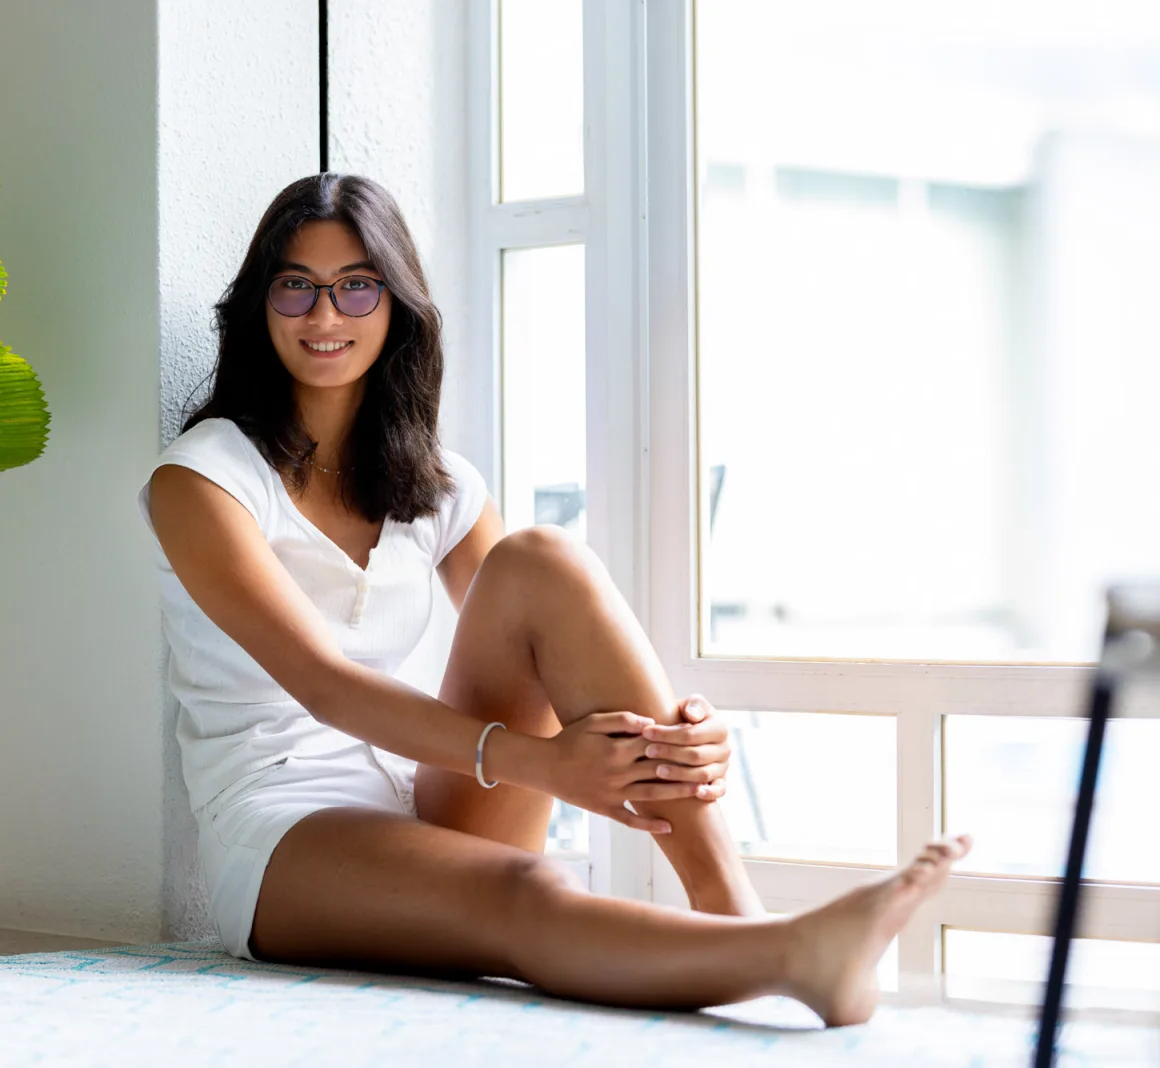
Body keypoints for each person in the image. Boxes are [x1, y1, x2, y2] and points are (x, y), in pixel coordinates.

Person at [138, 173, 969, 1027]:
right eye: (297, 288)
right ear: (260, 306)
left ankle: (734, 909)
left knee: (543, 557)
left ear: (397, 305)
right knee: (527, 886)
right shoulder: (203, 480)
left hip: (425, 794)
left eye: (357, 286)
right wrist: (545, 766)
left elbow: (547, 627)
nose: (325, 316)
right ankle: (793, 957)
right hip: (283, 830)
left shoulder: (439, 484)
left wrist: (684, 734)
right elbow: (325, 686)